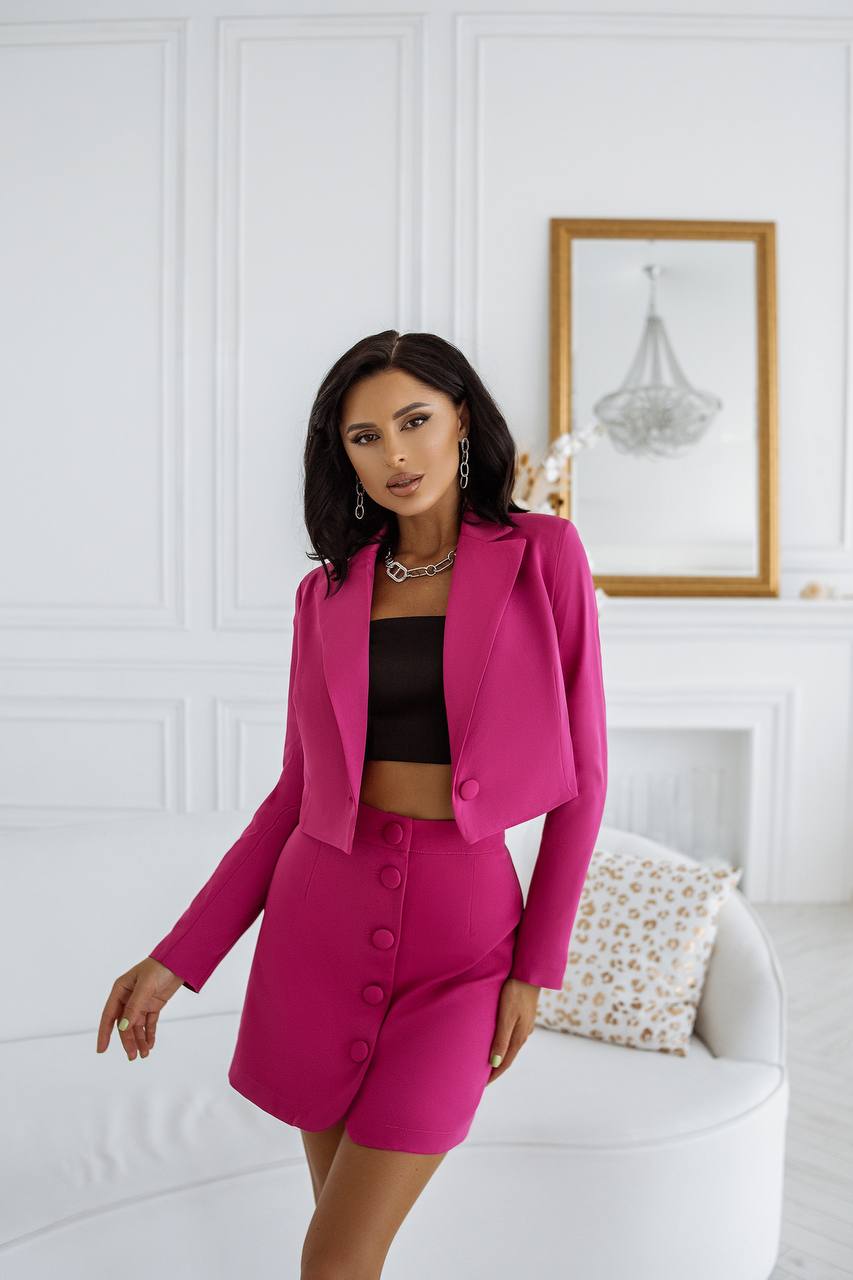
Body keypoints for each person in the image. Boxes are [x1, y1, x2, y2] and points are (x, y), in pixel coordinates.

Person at [96, 329, 608, 1278]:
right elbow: (294, 795)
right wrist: (177, 960)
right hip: (316, 927)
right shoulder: (324, 595)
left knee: (333, 1260)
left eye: (414, 421)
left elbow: (586, 781)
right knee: (345, 1259)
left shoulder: (543, 556)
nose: (394, 454)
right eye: (364, 437)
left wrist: (534, 968)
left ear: (462, 422)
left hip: (464, 944)